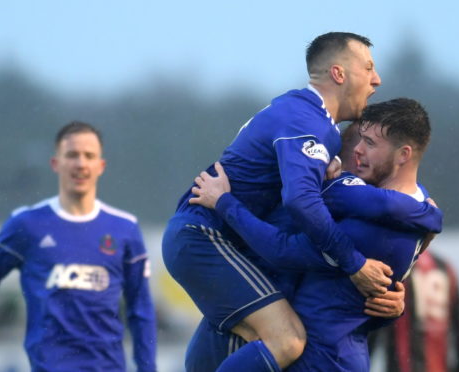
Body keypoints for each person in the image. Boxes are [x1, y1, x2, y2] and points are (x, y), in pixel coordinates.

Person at [162, 31, 391, 372]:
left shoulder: (304, 115)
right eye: (369, 67)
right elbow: (301, 201)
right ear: (339, 74)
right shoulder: (308, 121)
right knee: (287, 339)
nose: (377, 79)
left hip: (228, 247)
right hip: (206, 238)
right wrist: (354, 264)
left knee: (223, 356)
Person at [190, 98, 442, 371]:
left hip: (318, 359)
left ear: (404, 154)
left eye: (369, 143)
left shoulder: (365, 226)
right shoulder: (421, 202)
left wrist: (225, 203)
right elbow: (371, 310)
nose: (358, 151)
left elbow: (282, 248)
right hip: (346, 356)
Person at [0, 121, 157, 372]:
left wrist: (147, 367)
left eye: (89, 156)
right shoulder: (27, 224)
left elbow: (140, 308)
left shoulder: (124, 228)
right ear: (56, 163)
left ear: (100, 166)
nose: (80, 163)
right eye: (72, 155)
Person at [368, 249, 459, 372]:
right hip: (439, 366)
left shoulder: (397, 267)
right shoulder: (444, 267)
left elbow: (373, 324)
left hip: (403, 366)